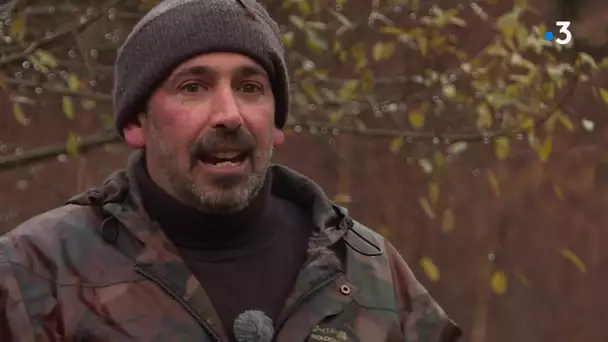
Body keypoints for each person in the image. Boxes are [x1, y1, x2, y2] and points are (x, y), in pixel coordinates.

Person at [0, 0, 462, 341]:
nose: (229, 114)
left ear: (276, 123)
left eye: (250, 87)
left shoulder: (364, 268)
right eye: (193, 86)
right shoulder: (36, 271)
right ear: (135, 123)